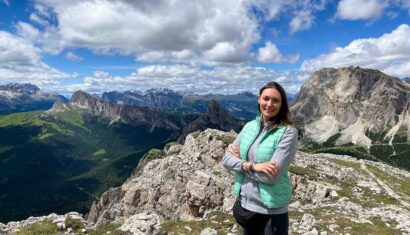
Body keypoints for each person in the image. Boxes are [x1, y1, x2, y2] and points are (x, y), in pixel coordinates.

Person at [223, 82, 298, 235]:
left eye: (275, 100)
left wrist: (239, 165)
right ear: (259, 100)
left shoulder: (288, 132)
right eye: (266, 98)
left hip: (270, 211)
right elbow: (226, 160)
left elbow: (270, 177)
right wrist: (251, 166)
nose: (269, 104)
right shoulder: (250, 126)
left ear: (282, 104)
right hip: (245, 206)